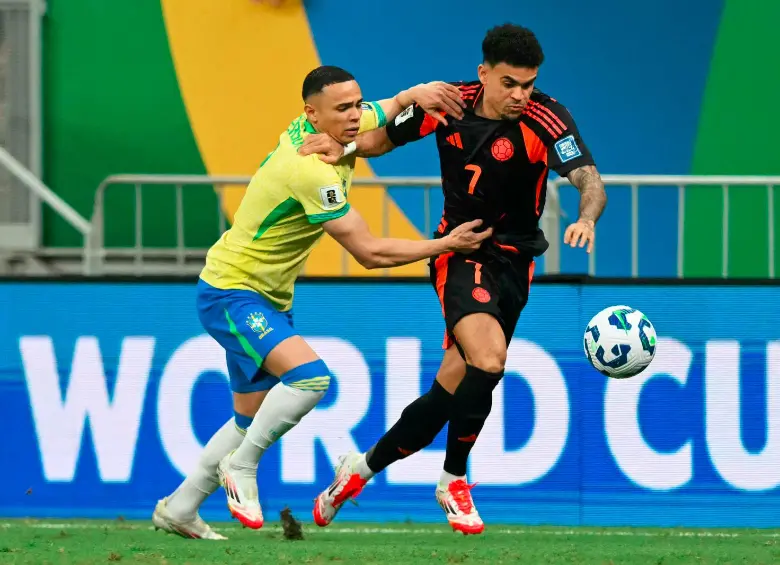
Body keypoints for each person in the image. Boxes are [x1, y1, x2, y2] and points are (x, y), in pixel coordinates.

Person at [151, 65, 491, 540]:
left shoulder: (328, 127)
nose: (355, 117)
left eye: (356, 105)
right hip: (232, 292)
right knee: (310, 378)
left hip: (262, 295)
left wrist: (412, 92)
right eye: (343, 109)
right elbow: (369, 253)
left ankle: (181, 507)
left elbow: (384, 110)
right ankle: (242, 466)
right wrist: (445, 245)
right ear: (312, 113)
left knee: (246, 418)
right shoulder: (309, 168)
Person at [301, 24, 608, 535]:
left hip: (516, 262)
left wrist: (587, 217)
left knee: (449, 392)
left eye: (529, 85)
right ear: (483, 74)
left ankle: (357, 471)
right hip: (460, 250)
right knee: (488, 359)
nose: (520, 96)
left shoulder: (546, 117)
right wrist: (344, 149)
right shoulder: (447, 103)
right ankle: (453, 479)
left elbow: (589, 180)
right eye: (509, 83)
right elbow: (379, 141)